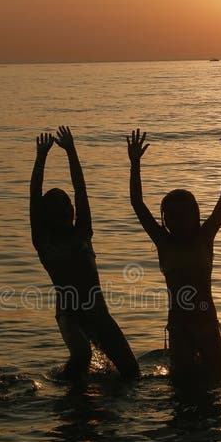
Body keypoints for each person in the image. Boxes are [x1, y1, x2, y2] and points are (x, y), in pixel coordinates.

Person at [126, 123, 221, 386]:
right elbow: (137, 203)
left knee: (217, 383)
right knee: (181, 387)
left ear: (195, 215)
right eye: (173, 215)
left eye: (185, 213)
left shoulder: (205, 237)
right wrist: (134, 164)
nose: (179, 220)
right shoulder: (164, 242)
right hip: (179, 328)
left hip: (207, 325)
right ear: (165, 219)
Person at [30, 126, 139, 379]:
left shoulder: (83, 233)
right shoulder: (43, 242)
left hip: (98, 312)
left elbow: (81, 190)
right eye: (57, 209)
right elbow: (34, 196)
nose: (66, 211)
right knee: (82, 355)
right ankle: (62, 387)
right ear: (48, 216)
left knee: (131, 372)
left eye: (67, 205)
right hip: (69, 314)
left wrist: (71, 151)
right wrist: (41, 157)